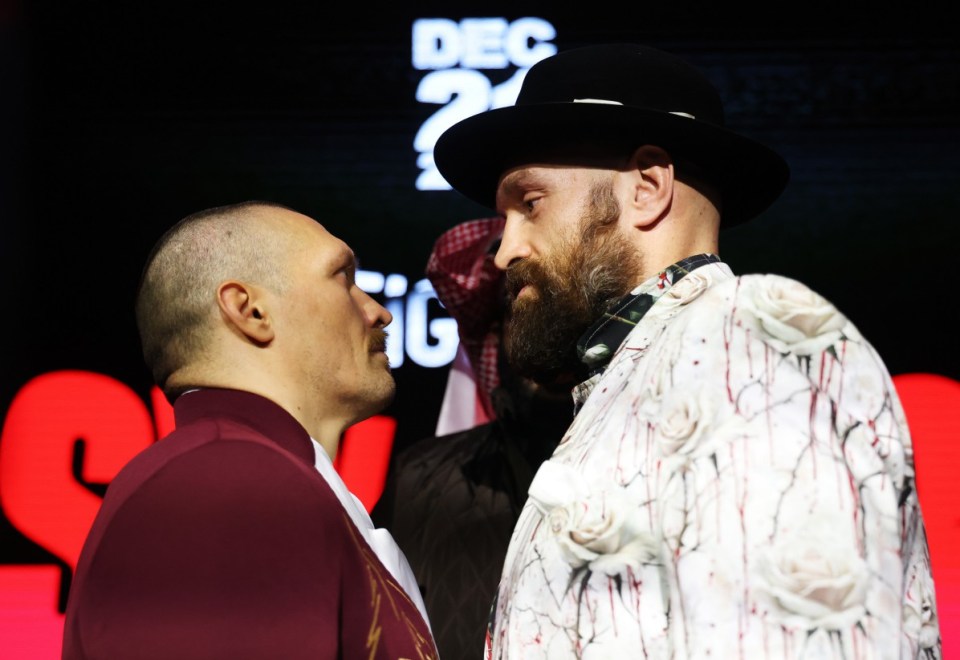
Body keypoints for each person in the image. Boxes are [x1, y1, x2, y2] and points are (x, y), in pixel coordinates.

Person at [432, 43, 942, 658]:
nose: (505, 249)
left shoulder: (750, 337)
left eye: (530, 203)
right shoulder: (650, 369)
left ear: (648, 188)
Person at [61, 201, 438, 660]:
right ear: (250, 310)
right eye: (344, 278)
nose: (380, 312)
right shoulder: (223, 484)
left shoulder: (249, 474)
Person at [375, 216, 572, 659]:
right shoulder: (422, 477)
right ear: (495, 335)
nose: (544, 345)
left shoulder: (659, 460)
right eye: (522, 321)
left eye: (561, 326)